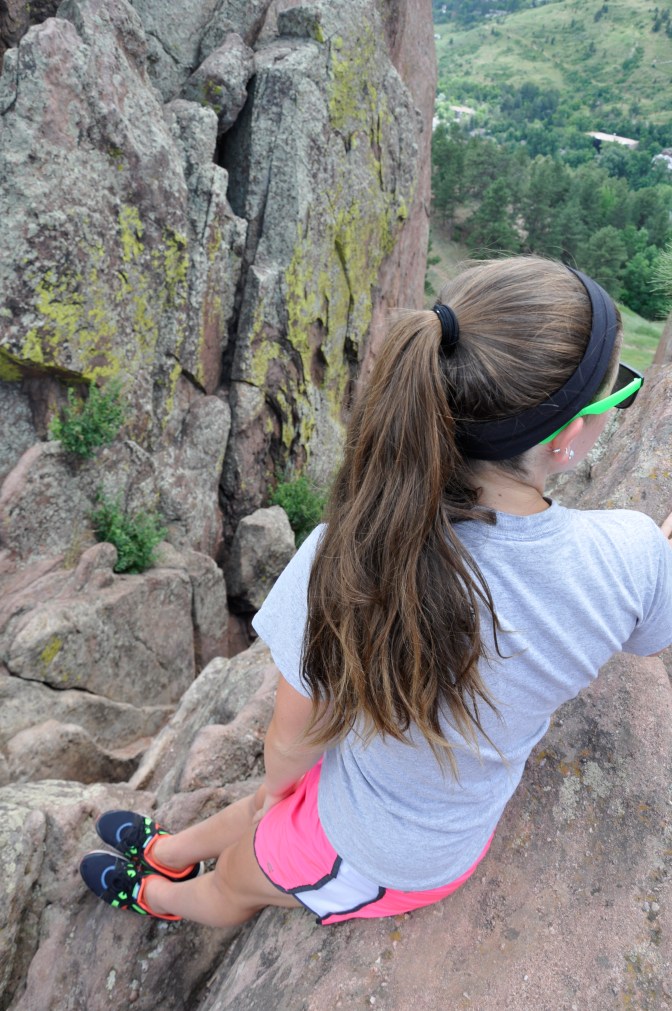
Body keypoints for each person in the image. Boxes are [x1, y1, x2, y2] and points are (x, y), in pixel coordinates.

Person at [80, 256, 672, 927]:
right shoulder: (631, 557)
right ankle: (173, 848)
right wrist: (653, 552)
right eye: (617, 394)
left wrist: (278, 791)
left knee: (237, 878)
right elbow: (652, 631)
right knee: (272, 805)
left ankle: (162, 893)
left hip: (376, 843)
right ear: (568, 437)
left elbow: (292, 739)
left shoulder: (349, 547)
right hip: (403, 825)